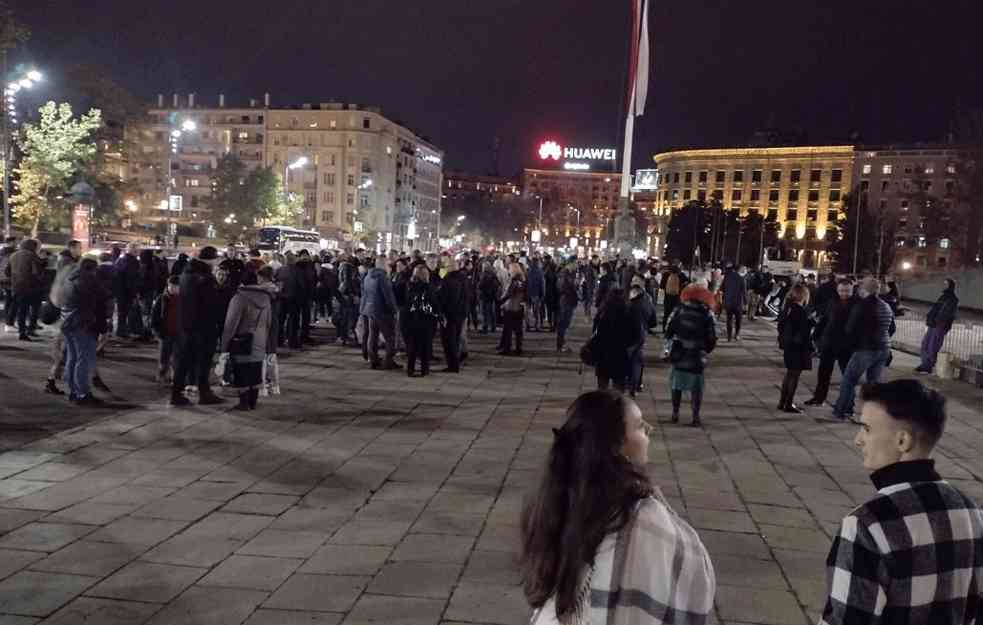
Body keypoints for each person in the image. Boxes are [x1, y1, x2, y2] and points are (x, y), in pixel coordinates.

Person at [522, 391, 716, 625]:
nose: (649, 430)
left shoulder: (560, 492)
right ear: (615, 445)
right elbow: (691, 575)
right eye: (639, 425)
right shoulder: (640, 517)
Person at [819, 379, 982, 625]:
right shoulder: (971, 511)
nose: (858, 439)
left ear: (902, 441)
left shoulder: (866, 525)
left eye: (866, 428)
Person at [831, 277, 896, 421]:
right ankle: (872, 415)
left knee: (849, 380)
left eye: (861, 288)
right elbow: (891, 328)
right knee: (873, 384)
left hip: (865, 348)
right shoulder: (885, 305)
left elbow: (850, 329)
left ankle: (840, 411)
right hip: (884, 348)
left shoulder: (862, 305)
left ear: (864, 289)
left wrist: (852, 343)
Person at [172, 246, 225, 406]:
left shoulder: (186, 274)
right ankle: (204, 392)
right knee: (204, 361)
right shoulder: (206, 278)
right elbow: (211, 304)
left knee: (184, 360)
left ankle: (176, 394)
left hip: (186, 324)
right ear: (210, 260)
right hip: (203, 326)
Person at [221, 267, 276, 410]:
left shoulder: (239, 298)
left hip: (242, 340)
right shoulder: (266, 298)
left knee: (241, 371)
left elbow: (231, 324)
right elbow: (269, 322)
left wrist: (224, 345)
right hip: (260, 339)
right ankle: (253, 401)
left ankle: (244, 402)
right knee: (255, 370)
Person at [59, 258, 110, 405]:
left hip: (68, 322)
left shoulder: (71, 278)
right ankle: (83, 393)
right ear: (93, 269)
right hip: (82, 323)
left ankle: (73, 391)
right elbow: (103, 296)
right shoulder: (88, 281)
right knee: (83, 359)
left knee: (72, 357)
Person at [664, 282, 717, 426]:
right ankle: (695, 416)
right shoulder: (707, 313)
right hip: (697, 355)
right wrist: (705, 349)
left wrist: (670, 345)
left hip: (680, 353)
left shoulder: (678, 310)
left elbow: (668, 330)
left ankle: (675, 413)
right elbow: (712, 337)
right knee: (696, 387)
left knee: (677, 384)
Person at [805, 279, 857, 407]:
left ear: (852, 290)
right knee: (823, 373)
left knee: (847, 375)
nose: (844, 293)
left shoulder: (858, 304)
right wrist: (815, 335)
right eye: (841, 290)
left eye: (847, 290)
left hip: (846, 345)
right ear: (837, 290)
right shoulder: (832, 302)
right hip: (829, 342)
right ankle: (819, 398)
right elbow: (824, 320)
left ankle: (848, 403)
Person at [593, 288, 640, 392]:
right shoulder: (629, 313)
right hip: (620, 355)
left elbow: (595, 334)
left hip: (603, 354)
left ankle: (602, 406)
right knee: (618, 390)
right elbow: (636, 335)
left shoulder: (602, 313)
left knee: (602, 388)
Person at [777, 284, 814, 414]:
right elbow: (803, 331)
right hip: (798, 347)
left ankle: (782, 402)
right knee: (794, 375)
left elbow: (783, 326)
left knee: (789, 374)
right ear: (803, 295)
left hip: (788, 345)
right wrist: (812, 322)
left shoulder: (787, 307)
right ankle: (788, 404)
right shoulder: (799, 310)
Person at [360, 256, 400, 370]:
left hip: (370, 310)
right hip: (382, 311)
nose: (389, 267)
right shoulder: (382, 277)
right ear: (383, 265)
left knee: (373, 336)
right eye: (388, 264)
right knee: (390, 337)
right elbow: (388, 296)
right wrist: (394, 310)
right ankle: (389, 361)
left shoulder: (368, 275)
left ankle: (373, 360)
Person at [402, 265, 440, 377]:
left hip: (411, 320)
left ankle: (410, 369)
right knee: (425, 346)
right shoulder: (429, 288)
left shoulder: (409, 286)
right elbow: (434, 305)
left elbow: (406, 304)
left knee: (412, 346)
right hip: (425, 321)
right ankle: (424, 369)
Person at [3, 238, 43, 341]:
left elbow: (7, 272)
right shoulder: (32, 256)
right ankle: (27, 331)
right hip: (29, 287)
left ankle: (22, 331)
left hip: (16, 286)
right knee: (29, 309)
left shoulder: (13, 255)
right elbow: (37, 273)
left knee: (21, 310)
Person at [916, 278, 958, 374]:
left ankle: (928, 366)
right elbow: (936, 309)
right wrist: (930, 318)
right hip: (933, 324)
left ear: (950, 286)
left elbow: (946, 313)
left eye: (945, 284)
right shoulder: (943, 297)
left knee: (932, 346)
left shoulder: (952, 299)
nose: (943, 285)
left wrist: (937, 322)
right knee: (925, 344)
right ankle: (925, 364)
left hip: (939, 326)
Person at [627, 280, 658, 397]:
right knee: (638, 360)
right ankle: (637, 384)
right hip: (642, 335)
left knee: (632, 361)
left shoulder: (631, 305)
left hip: (631, 336)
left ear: (634, 293)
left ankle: (631, 384)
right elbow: (653, 322)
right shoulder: (648, 303)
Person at [438, 256, 469, 372]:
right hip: (461, 314)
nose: (444, 269)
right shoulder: (463, 278)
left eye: (446, 266)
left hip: (450, 316)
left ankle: (452, 365)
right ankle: (454, 363)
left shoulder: (449, 280)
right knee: (455, 340)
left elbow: (447, 299)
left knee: (448, 341)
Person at [151, 276, 181, 384]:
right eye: (171, 286)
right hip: (165, 333)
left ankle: (175, 378)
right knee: (164, 357)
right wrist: (157, 331)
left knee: (177, 357)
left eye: (175, 286)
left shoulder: (183, 299)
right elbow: (154, 316)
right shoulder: (162, 299)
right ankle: (161, 375)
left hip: (178, 333)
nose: (173, 288)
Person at [113, 242, 142, 338]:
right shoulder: (133, 262)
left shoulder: (120, 260)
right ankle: (125, 331)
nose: (139, 252)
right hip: (127, 292)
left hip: (119, 291)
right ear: (133, 250)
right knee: (127, 312)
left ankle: (120, 330)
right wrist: (134, 293)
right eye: (137, 250)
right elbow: (132, 279)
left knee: (122, 313)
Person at [498, 263, 526, 356]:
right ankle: (519, 348)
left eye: (510, 269)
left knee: (507, 329)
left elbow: (508, 294)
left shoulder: (513, 281)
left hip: (510, 307)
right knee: (518, 330)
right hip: (519, 307)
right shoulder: (523, 280)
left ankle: (507, 348)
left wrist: (501, 301)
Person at [555, 259, 579, 353]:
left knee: (565, 324)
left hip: (568, 300)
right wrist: (573, 286)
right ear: (570, 264)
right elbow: (561, 288)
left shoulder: (569, 273)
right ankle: (560, 345)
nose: (576, 265)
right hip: (566, 301)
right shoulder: (564, 273)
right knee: (563, 323)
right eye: (575, 263)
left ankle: (562, 344)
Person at [721, 264, 747, 341]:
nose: (744, 270)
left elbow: (722, 288)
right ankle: (736, 335)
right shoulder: (742, 279)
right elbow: (744, 292)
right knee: (738, 320)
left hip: (728, 302)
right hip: (738, 303)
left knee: (729, 319)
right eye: (743, 269)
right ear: (740, 269)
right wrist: (746, 303)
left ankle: (729, 337)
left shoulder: (727, 277)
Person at [478, 262, 501, 334]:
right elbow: (498, 284)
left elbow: (480, 285)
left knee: (484, 312)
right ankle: (493, 327)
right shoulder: (494, 274)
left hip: (485, 296)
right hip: (492, 296)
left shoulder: (484, 275)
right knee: (491, 312)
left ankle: (485, 327)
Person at [525, 257, 545, 332]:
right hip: (536, 294)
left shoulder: (528, 272)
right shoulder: (540, 272)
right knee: (536, 311)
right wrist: (543, 294)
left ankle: (528, 325)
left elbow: (525, 283)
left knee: (528, 311)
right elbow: (542, 284)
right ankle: (537, 326)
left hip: (529, 293)